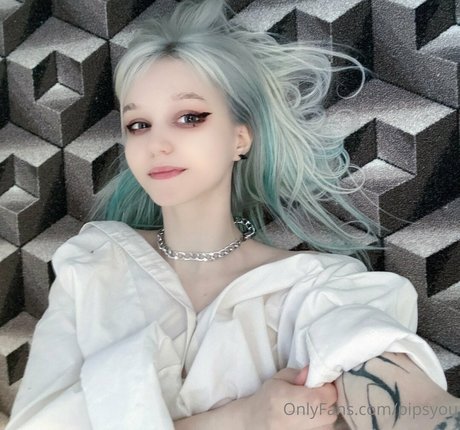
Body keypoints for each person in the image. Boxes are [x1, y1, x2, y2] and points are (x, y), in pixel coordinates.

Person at [5, 0, 460, 429]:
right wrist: (244, 418)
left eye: (189, 117)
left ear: (239, 139)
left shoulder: (313, 288)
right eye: (138, 124)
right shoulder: (92, 265)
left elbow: (388, 377)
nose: (156, 144)